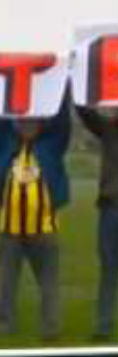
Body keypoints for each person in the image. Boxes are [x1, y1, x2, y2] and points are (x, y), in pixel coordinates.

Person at [0, 96, 71, 341]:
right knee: (6, 283)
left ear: (42, 125)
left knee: (48, 283)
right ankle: (4, 325)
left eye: (33, 122)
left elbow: (62, 120)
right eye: (23, 122)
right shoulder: (6, 143)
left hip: (43, 230)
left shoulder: (52, 145)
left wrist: (62, 86)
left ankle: (50, 328)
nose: (28, 126)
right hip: (9, 229)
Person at [76, 105, 118, 341]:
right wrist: (73, 79)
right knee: (109, 269)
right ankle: (103, 325)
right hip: (111, 206)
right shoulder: (109, 129)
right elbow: (85, 113)